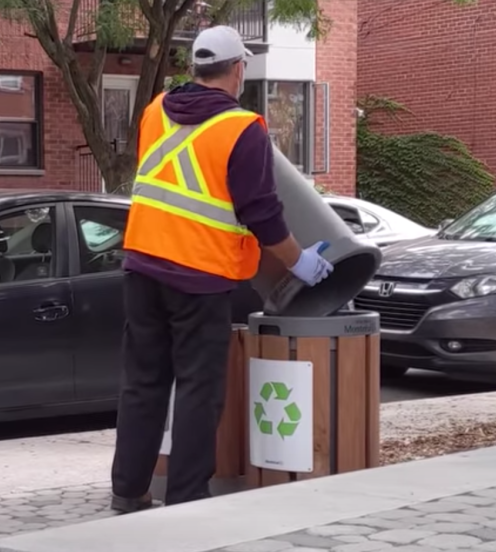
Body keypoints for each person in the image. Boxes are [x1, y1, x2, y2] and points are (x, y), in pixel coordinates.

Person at [109, 25, 334, 513]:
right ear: (238, 69)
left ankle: (129, 492)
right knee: (197, 387)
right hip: (199, 276)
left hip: (142, 267)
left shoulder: (155, 111)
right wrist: (300, 261)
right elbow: (263, 213)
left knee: (142, 382)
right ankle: (188, 497)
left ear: (196, 67)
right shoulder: (243, 128)